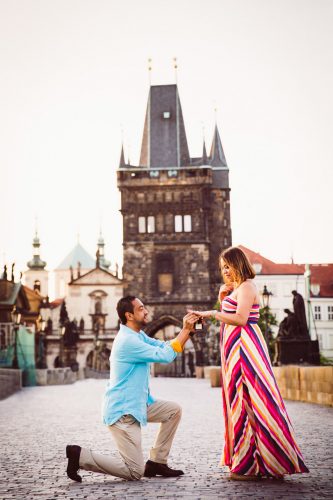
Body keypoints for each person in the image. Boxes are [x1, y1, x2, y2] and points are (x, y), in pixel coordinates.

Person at [190, 247, 309, 480]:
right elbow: (233, 313)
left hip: (245, 348)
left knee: (249, 402)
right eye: (222, 267)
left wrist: (213, 313)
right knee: (242, 402)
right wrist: (222, 299)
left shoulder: (247, 286)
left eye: (228, 266)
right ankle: (258, 462)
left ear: (239, 264)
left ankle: (253, 465)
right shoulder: (237, 289)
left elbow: (241, 319)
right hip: (235, 348)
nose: (225, 271)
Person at [66, 295, 198, 483]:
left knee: (173, 411)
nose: (146, 311)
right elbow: (165, 355)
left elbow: (163, 345)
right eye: (141, 309)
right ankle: (80, 456)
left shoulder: (137, 335)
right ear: (129, 315)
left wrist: (188, 332)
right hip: (123, 412)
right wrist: (184, 330)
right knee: (134, 471)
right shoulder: (128, 342)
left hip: (138, 405)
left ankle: (157, 462)